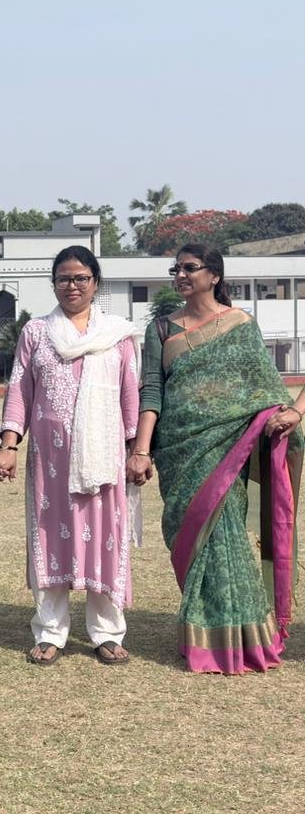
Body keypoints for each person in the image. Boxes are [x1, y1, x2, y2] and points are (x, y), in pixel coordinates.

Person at [129, 243, 300, 674]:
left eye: (190, 268)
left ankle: (240, 643)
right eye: (176, 269)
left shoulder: (242, 326)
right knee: (188, 536)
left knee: (223, 539)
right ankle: (207, 637)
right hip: (177, 450)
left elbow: (265, 390)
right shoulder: (163, 329)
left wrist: (287, 415)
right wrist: (142, 450)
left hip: (228, 449)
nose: (181, 275)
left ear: (215, 275)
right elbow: (152, 391)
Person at [0, 246, 139, 667]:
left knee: (105, 542)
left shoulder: (119, 335)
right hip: (50, 463)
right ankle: (51, 632)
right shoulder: (37, 333)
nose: (71, 286)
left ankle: (107, 633)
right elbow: (19, 392)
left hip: (103, 461)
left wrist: (136, 451)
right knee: (51, 539)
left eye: (80, 278)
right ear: (53, 283)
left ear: (95, 282)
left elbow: (131, 395)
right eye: (62, 279)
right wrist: (9, 444)